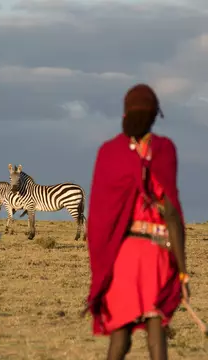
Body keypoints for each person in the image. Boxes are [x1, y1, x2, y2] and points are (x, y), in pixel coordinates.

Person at [85, 84, 189, 360]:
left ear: (124, 114)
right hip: (156, 253)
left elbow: (99, 219)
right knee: (157, 336)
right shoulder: (164, 150)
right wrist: (182, 270)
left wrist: (102, 267)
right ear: (155, 115)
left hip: (124, 257)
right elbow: (171, 214)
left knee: (120, 338)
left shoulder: (109, 153)